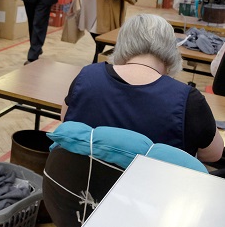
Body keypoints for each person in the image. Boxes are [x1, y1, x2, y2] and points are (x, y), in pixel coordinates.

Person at [44, 14, 224, 226]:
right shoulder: (187, 101)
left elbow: (66, 122)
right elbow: (214, 153)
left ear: (123, 44)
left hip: (80, 206)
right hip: (153, 213)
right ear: (171, 50)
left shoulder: (87, 77)